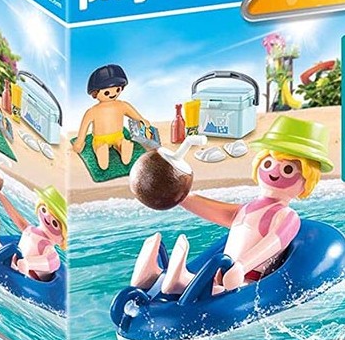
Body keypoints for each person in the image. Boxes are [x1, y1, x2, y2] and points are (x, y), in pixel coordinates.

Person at [129, 116, 332, 296]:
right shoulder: (248, 208)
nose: (274, 172)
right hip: (224, 273)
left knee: (213, 292)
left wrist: (242, 266)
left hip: (247, 280)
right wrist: (180, 196)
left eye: (288, 169)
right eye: (268, 163)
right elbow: (217, 211)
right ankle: (154, 277)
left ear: (307, 181)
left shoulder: (287, 216)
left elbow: (272, 243)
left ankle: (180, 282)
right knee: (210, 287)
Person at [0, 183, 68, 280]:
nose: (47, 217)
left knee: (12, 255)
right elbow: (15, 216)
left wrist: (28, 263)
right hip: (16, 261)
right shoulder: (30, 230)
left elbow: (51, 262)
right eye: (44, 210)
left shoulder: (50, 251)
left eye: (55, 223)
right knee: (12, 254)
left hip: (27, 275)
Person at [74, 63, 150, 170]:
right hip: (105, 137)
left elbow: (134, 115)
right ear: (95, 93)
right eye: (107, 92)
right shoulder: (93, 111)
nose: (113, 93)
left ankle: (121, 147)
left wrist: (141, 120)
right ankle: (105, 149)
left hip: (114, 136)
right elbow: (84, 127)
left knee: (115, 142)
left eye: (117, 89)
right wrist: (80, 140)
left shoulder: (121, 105)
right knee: (103, 144)